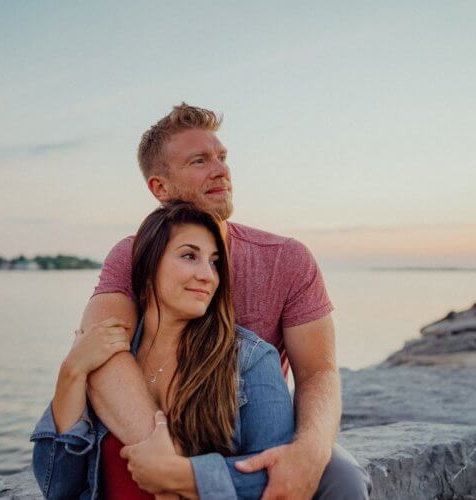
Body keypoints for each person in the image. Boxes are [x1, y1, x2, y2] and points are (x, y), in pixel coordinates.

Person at [79, 104, 371, 499]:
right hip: (158, 426)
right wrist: (165, 454)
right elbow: (103, 353)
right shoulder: (131, 257)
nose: (221, 170)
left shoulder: (286, 258)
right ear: (160, 187)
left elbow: (318, 371)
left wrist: (309, 452)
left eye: (222, 157)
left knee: (343, 479)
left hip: (252, 431)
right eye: (200, 160)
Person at [31, 201, 295, 499]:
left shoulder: (250, 359)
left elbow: (276, 477)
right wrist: (72, 371)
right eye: (189, 256)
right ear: (148, 269)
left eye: (214, 262)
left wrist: (180, 477)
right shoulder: (108, 358)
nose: (207, 275)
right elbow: (57, 487)